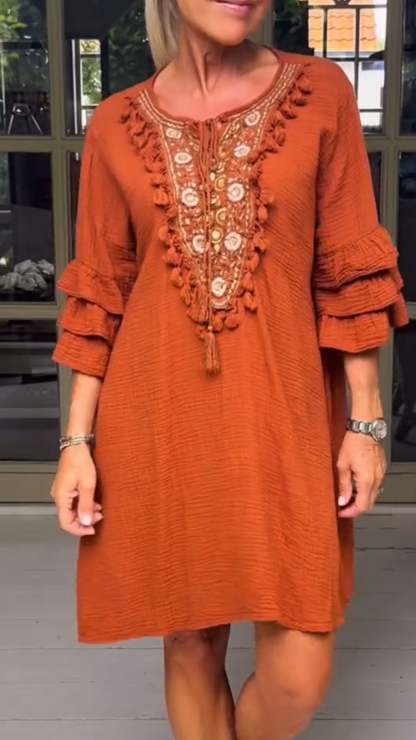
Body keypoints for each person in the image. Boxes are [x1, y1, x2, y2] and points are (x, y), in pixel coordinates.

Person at [50, 1, 410, 738]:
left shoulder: (320, 95)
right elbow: (101, 296)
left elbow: (347, 267)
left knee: (299, 668)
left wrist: (366, 422)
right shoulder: (116, 122)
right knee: (189, 638)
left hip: (286, 415)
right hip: (159, 418)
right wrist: (76, 444)